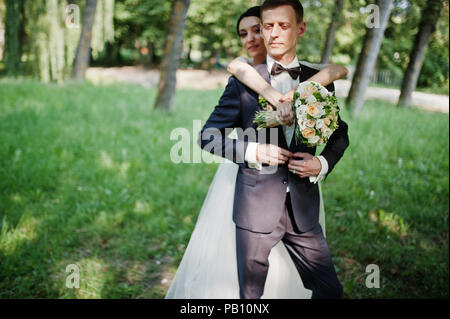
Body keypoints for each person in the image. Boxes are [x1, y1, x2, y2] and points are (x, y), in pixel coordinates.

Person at [166, 2, 349, 299]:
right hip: (256, 207)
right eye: (267, 26)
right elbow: (207, 136)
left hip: (303, 208)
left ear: (300, 29)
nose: (273, 34)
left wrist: (322, 163)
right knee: (250, 297)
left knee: (330, 291)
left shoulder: (318, 82)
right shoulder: (243, 83)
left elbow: (339, 131)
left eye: (283, 26)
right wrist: (253, 151)